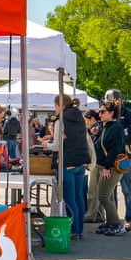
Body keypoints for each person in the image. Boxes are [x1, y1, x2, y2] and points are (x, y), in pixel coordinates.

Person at [43, 95, 90, 240]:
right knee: (79, 198)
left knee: (69, 199)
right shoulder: (80, 117)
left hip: (66, 162)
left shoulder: (60, 120)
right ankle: (79, 229)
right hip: (80, 161)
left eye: (55, 105)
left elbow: (58, 146)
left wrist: (46, 145)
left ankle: (74, 230)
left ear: (59, 105)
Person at [94, 101, 129, 235]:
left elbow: (114, 149)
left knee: (103, 196)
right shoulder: (107, 126)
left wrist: (107, 167)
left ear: (111, 113)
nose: (99, 114)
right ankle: (111, 222)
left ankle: (117, 224)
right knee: (106, 196)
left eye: (103, 112)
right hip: (109, 166)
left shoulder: (115, 127)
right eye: (99, 111)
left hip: (113, 167)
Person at [105, 89, 131, 227]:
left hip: (124, 157)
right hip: (109, 157)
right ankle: (113, 219)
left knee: (126, 189)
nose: (112, 103)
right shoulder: (106, 113)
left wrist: (119, 138)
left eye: (113, 100)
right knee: (110, 191)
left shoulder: (128, 114)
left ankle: (130, 219)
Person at [82, 109, 103, 224]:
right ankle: (99, 215)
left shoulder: (96, 127)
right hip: (100, 162)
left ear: (91, 118)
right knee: (98, 191)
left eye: (86, 120)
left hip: (97, 162)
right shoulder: (99, 126)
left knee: (92, 191)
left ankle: (90, 215)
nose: (85, 122)